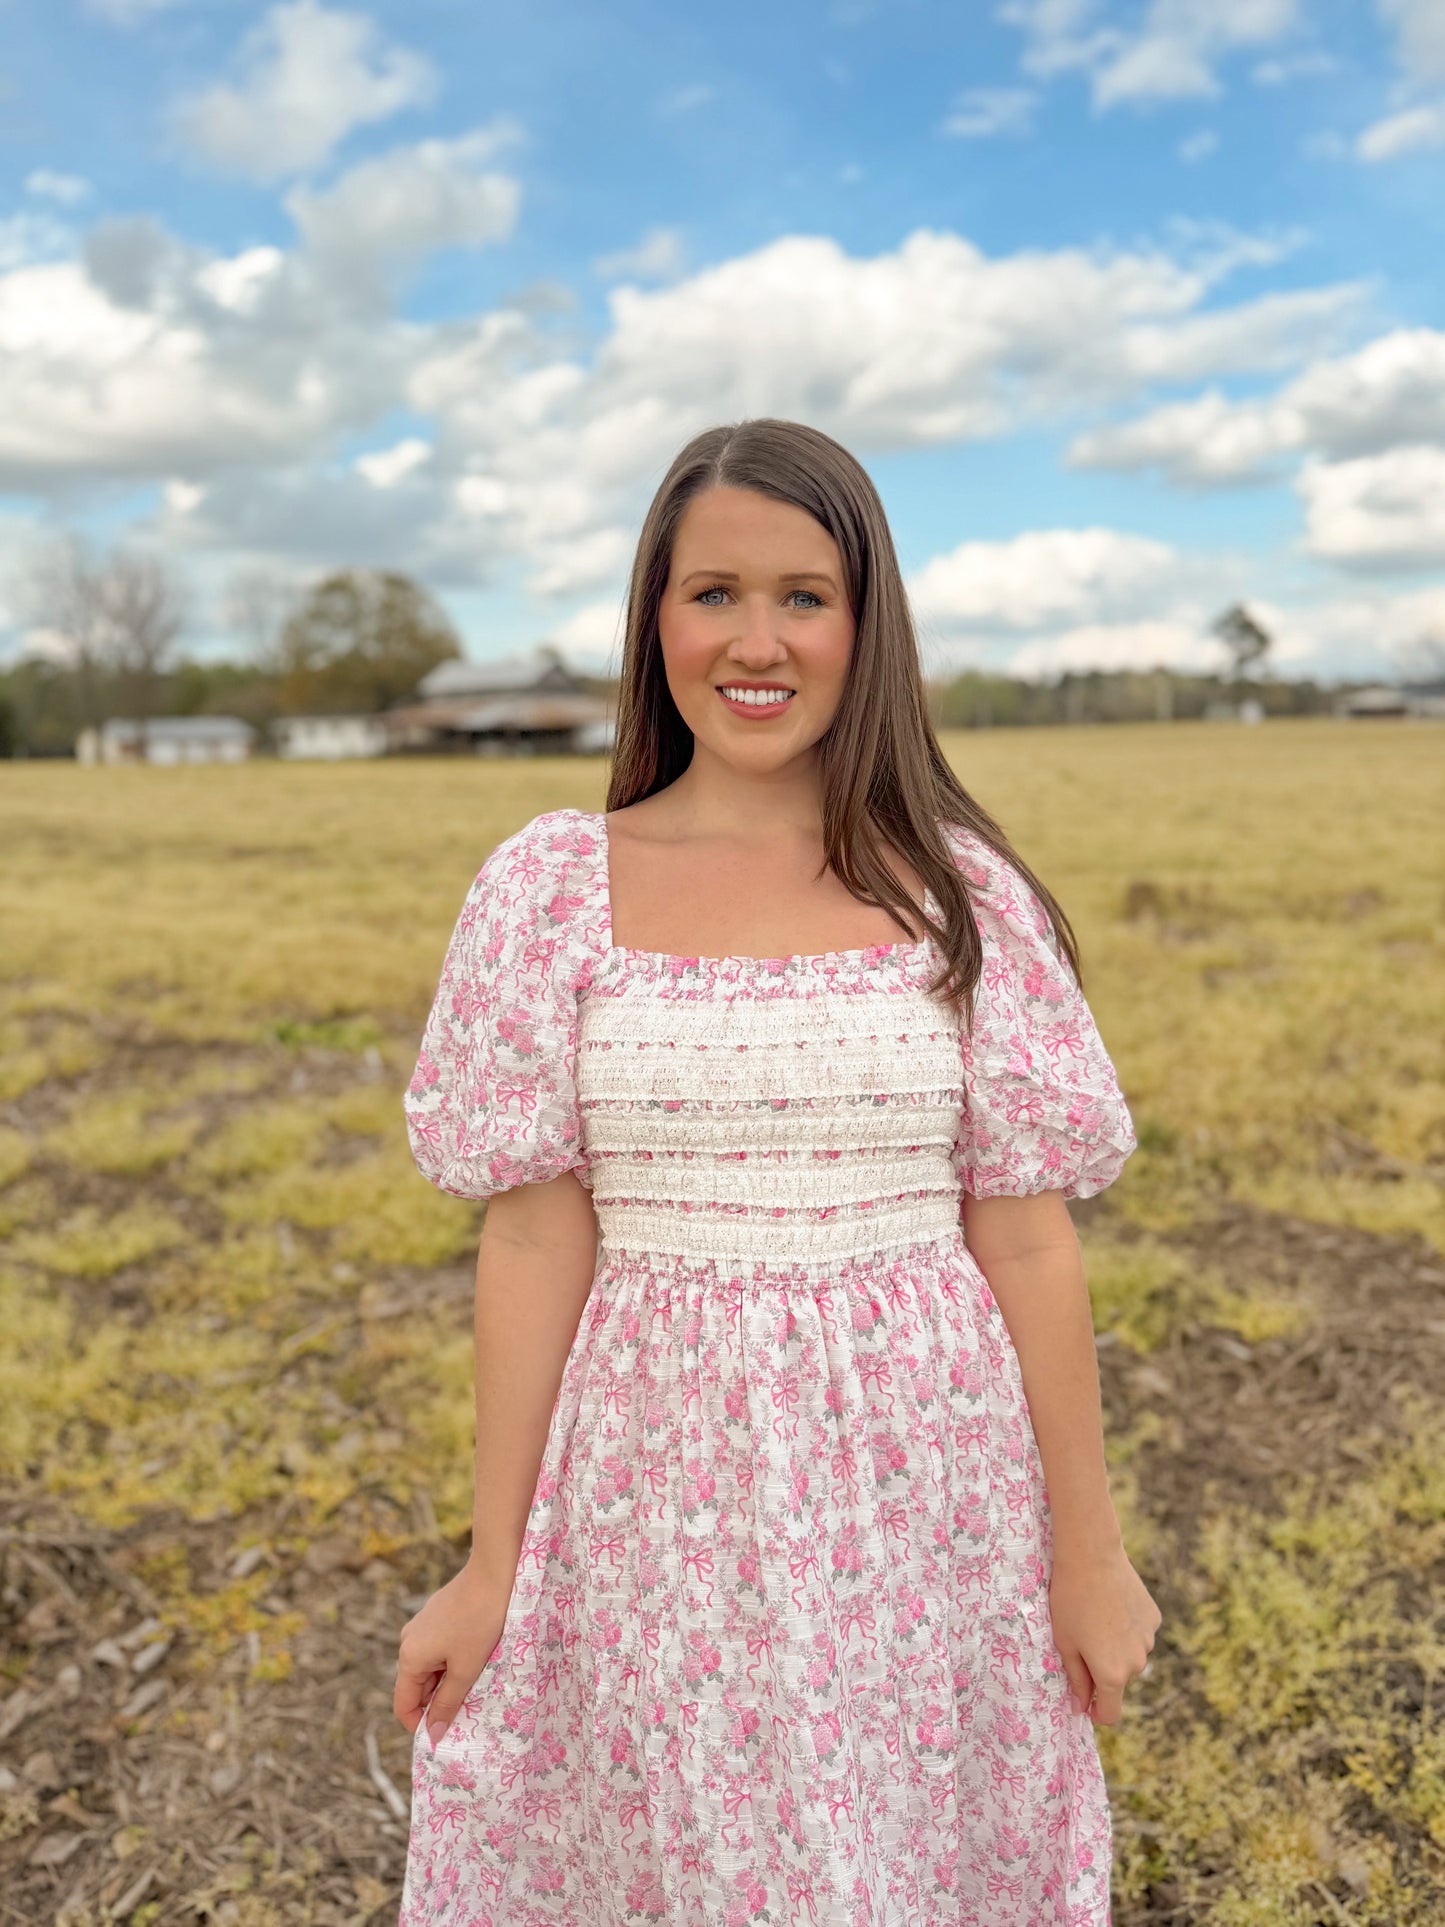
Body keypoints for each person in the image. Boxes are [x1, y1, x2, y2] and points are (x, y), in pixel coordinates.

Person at [393, 417, 1160, 1926]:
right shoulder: (553, 888)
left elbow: (1027, 1247)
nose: (758, 640)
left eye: (804, 596)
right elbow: (536, 1246)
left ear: (864, 624)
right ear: (654, 619)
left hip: (924, 1503)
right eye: (713, 594)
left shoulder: (956, 894)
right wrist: (492, 1568)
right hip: (651, 1504)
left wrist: (1091, 1556)